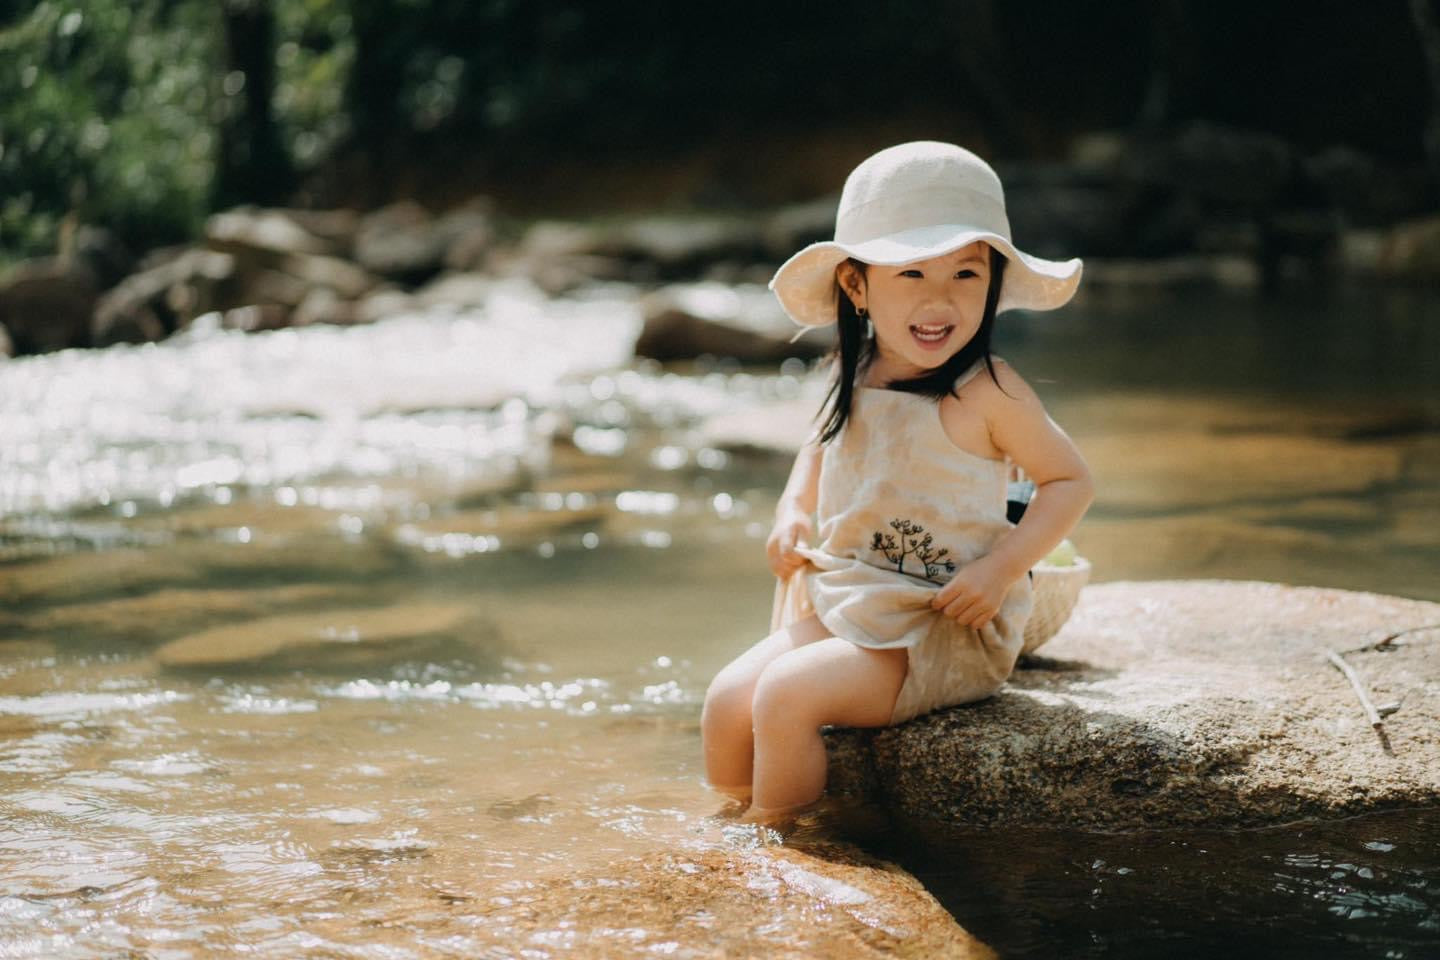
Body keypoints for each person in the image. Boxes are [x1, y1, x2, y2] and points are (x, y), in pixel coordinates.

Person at [700, 141, 1096, 827]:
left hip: (938, 621)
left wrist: (1003, 569)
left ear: (996, 280)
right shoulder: (852, 374)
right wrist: (794, 510)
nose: (939, 300)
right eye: (911, 272)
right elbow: (819, 447)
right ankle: (726, 821)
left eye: (965, 274)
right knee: (727, 697)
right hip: (851, 596)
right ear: (858, 286)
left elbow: (1069, 480)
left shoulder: (988, 391)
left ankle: (779, 840)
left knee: (786, 697)